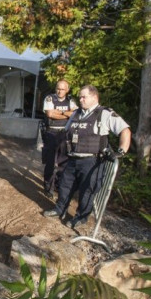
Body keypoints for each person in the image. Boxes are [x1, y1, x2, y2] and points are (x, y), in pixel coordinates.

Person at [43, 85, 130, 230]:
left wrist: (121, 151)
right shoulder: (76, 113)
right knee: (65, 185)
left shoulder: (105, 113)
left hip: (93, 161)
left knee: (87, 190)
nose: (81, 99)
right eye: (80, 97)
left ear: (94, 98)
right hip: (73, 159)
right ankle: (60, 209)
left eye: (84, 97)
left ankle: (81, 217)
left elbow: (125, 130)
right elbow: (66, 132)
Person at [41, 79, 78, 194]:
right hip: (51, 133)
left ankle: (58, 186)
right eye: (58, 88)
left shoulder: (70, 100)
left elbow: (75, 114)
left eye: (62, 89)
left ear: (67, 90)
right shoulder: (50, 98)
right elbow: (50, 114)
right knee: (51, 163)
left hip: (65, 134)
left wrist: (60, 113)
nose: (60, 91)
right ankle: (48, 187)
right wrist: (67, 114)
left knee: (63, 162)